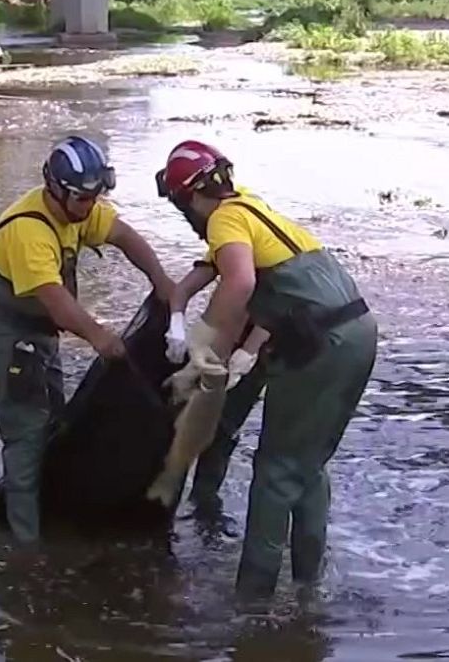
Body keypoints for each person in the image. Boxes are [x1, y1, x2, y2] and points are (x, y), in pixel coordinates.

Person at [158, 139, 377, 598]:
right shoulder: (250, 205)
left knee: (276, 470)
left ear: (187, 198)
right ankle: (306, 586)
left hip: (322, 345)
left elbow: (240, 283)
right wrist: (235, 351)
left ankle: (252, 602)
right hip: (356, 330)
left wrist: (202, 345)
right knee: (309, 464)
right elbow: (257, 287)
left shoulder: (223, 218)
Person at [0, 135, 176, 544]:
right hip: (9, 335)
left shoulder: (79, 211)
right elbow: (58, 303)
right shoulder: (28, 233)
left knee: (55, 420)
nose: (91, 208)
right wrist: (100, 336)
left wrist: (162, 281)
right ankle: (25, 546)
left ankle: (49, 507)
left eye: (95, 197)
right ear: (57, 191)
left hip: (40, 334)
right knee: (26, 435)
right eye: (84, 199)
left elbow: (126, 237)